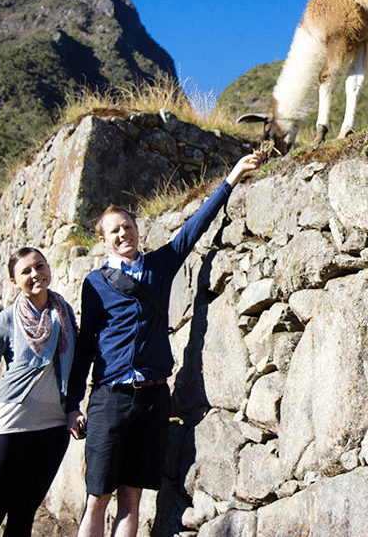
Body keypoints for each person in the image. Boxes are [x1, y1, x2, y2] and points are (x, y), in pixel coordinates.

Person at [67, 151, 266, 537]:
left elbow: (194, 228)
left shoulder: (161, 264)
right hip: (110, 397)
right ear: (105, 241)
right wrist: (71, 404)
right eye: (115, 231)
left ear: (137, 228)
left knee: (132, 496)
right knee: (98, 496)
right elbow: (85, 345)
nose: (123, 234)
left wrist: (234, 176)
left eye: (127, 226)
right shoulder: (95, 284)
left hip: (154, 398)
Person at [0, 247, 81, 537]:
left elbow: (77, 363)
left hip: (52, 428)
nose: (35, 275)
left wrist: (73, 407)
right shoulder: (6, 321)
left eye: (40, 266)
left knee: (23, 514)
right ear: (14, 281)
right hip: (6, 427)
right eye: (26, 271)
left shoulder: (63, 312)